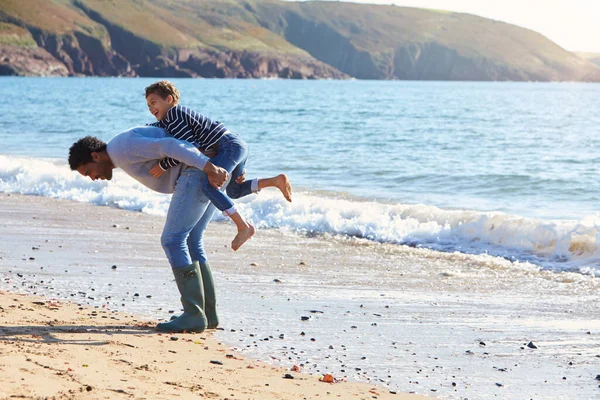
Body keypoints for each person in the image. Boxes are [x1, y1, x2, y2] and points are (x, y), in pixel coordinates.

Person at [68, 126, 227, 333]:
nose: (92, 177)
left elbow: (169, 145)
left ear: (95, 156)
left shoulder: (121, 149)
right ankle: (206, 314)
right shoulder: (120, 150)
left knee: (172, 240)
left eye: (89, 171)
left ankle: (194, 314)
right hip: (206, 169)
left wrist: (208, 168)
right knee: (192, 239)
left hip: (200, 172)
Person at [144, 80, 292, 251]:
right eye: (148, 105)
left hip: (228, 147)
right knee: (233, 191)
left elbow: (189, 148)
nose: (150, 108)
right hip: (237, 145)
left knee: (209, 186)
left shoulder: (173, 115)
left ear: (169, 99)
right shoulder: (172, 118)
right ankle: (274, 181)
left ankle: (243, 226)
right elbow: (161, 129)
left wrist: (164, 165)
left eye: (154, 103)